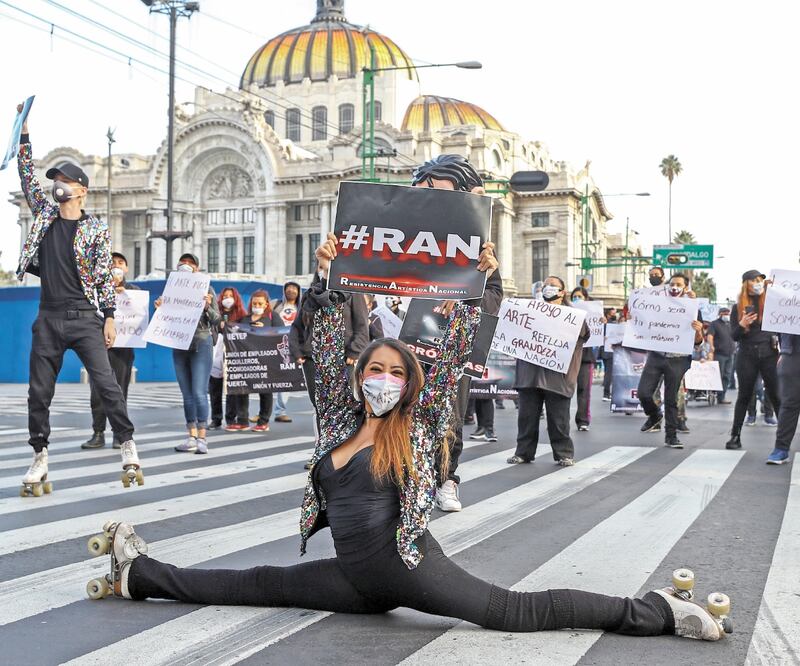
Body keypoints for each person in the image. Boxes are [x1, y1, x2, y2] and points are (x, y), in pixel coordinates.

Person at [94, 233, 727, 642]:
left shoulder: (417, 422)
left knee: (514, 611)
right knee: (252, 582)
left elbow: (455, 350)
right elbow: (317, 344)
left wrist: (483, 285)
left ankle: (659, 612)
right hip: (353, 579)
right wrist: (328, 278)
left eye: (397, 373)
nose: (385, 380)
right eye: (376, 369)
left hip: (410, 566)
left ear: (409, 383)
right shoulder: (338, 414)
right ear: (360, 372)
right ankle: (139, 574)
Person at [15, 105, 140, 493]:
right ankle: (40, 455)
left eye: (66, 179)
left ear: (82, 189)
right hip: (49, 317)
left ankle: (127, 444)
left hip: (86, 317)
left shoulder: (95, 230)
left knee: (107, 384)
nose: (59, 183)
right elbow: (26, 178)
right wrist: (24, 133)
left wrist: (108, 316)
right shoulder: (43, 216)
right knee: (39, 391)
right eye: (56, 178)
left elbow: (103, 276)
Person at [410, 154, 503, 513]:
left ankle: (446, 479)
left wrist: (468, 292)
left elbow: (493, 299)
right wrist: (330, 268)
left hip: (447, 346)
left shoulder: (478, 251)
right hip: (398, 347)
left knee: (448, 417)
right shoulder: (395, 240)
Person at [508, 276, 590, 466]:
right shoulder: (529, 312)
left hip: (558, 377)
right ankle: (523, 453)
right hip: (531, 375)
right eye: (545, 286)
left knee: (559, 419)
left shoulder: (573, 316)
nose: (548, 289)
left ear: (562, 292)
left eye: (553, 286)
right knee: (526, 417)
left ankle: (564, 454)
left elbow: (583, 336)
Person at [158, 254, 220, 455]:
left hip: (201, 341)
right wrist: (160, 307)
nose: (185, 266)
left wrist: (207, 306)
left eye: (190, 263)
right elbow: (164, 318)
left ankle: (202, 437)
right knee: (187, 394)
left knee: (199, 392)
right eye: (182, 263)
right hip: (179, 342)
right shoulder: (171, 289)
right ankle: (191, 434)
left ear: (197, 269)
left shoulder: (207, 289)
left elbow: (217, 319)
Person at [637, 274, 704, 449]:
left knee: (671, 398)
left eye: (678, 284)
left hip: (678, 359)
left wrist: (698, 331)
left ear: (686, 287)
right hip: (656, 356)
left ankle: (671, 435)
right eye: (672, 284)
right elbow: (643, 323)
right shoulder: (657, 305)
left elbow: (697, 342)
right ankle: (654, 415)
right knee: (644, 392)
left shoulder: (693, 309)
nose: (674, 287)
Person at [82, 252, 140, 450]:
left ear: (126, 269)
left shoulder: (134, 291)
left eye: (120, 263)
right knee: (97, 391)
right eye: (112, 262)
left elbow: (140, 317)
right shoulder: (95, 290)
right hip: (98, 347)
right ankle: (98, 432)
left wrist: (126, 296)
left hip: (123, 349)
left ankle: (119, 434)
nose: (116, 265)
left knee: (120, 391)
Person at [725, 270, 781, 450]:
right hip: (747, 354)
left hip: (769, 353)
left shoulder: (771, 304)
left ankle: (783, 439)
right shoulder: (738, 307)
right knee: (744, 395)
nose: (758, 283)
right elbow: (733, 336)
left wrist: (776, 290)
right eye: (754, 280)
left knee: (775, 394)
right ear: (746, 283)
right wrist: (742, 325)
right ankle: (735, 436)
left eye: (760, 280)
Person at [238, 290, 283, 432]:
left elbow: (282, 333)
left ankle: (263, 421)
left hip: (266, 360)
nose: (256, 305)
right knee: (242, 389)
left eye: (260, 303)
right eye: (254, 303)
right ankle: (243, 420)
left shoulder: (272, 317)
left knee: (265, 390)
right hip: (246, 361)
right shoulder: (245, 319)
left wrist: (266, 330)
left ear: (266, 304)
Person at [208, 287, 247, 430]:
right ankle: (216, 418)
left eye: (230, 296)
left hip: (234, 354)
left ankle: (231, 418)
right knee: (215, 388)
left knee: (232, 387)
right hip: (216, 353)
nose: (228, 299)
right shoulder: (216, 313)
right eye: (225, 296)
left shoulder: (242, 315)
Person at [767, 333, 800, 464]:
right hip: (790, 353)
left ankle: (781, 448)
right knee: (788, 403)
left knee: (788, 404)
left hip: (789, 351)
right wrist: (783, 350)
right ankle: (781, 448)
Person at [272, 281, 302, 423]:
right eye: (288, 288)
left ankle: (280, 411)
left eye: (294, 288)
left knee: (288, 379)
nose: (291, 291)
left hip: (294, 347)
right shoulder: (276, 305)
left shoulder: (301, 308)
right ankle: (264, 412)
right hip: (275, 345)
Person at [570, 287, 599, 431]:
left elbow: (600, 336)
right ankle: (557, 418)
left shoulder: (594, 314)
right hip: (567, 358)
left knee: (584, 390)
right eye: (574, 296)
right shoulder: (566, 311)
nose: (577, 299)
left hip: (585, 358)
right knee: (562, 390)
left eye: (580, 296)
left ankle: (582, 420)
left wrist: (602, 323)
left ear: (586, 299)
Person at [706, 307, 734, 404]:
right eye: (725, 313)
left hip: (730, 353)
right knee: (719, 375)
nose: (727, 315)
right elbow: (710, 335)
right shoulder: (714, 324)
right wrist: (711, 346)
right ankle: (716, 394)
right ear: (720, 314)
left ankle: (722, 396)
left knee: (727, 375)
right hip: (719, 353)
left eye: (728, 313)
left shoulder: (730, 324)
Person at [600, 307, 618, 401]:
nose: (615, 313)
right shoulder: (608, 325)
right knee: (609, 373)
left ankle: (608, 393)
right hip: (609, 351)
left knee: (608, 372)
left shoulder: (605, 324)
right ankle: (606, 394)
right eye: (612, 312)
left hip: (606, 351)